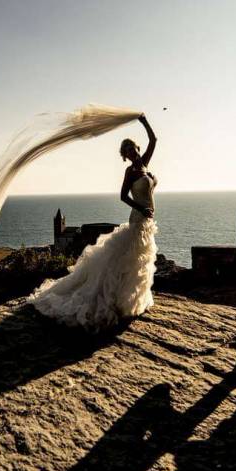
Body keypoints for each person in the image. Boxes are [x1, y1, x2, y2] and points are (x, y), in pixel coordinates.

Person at [27, 114, 159, 332]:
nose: (131, 152)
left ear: (137, 148)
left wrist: (144, 121)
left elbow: (153, 140)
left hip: (147, 220)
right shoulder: (130, 171)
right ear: (125, 157)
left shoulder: (144, 164)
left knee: (140, 259)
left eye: (132, 148)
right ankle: (113, 299)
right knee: (128, 258)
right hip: (138, 218)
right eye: (126, 151)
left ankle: (132, 299)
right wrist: (141, 208)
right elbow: (123, 196)